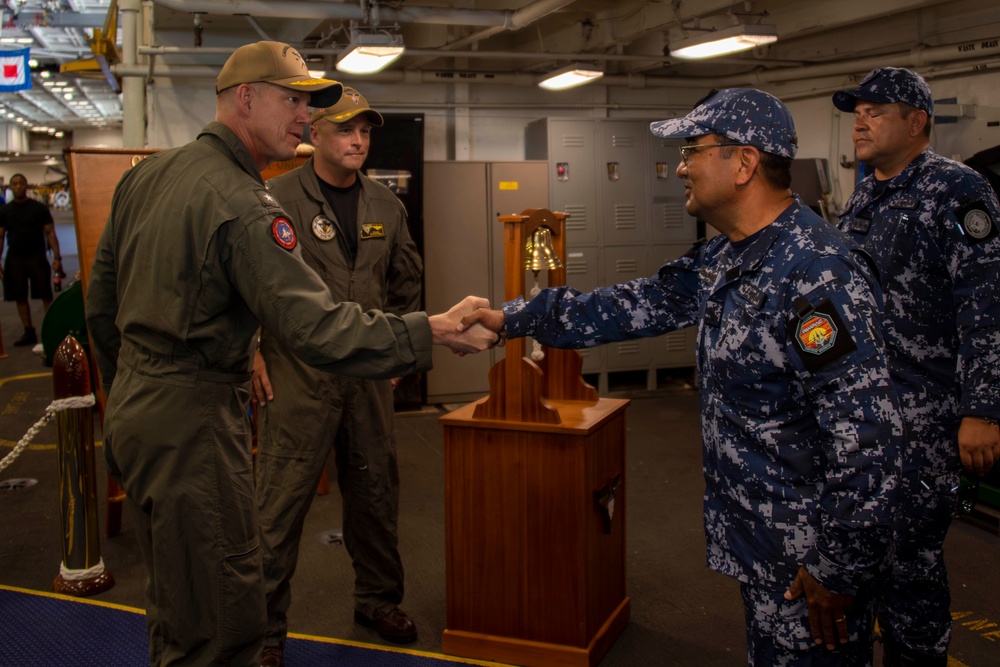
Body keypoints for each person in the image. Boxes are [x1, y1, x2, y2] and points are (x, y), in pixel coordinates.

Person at [85, 41, 496, 667]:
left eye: (310, 103)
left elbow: (100, 305)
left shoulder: (147, 175)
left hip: (138, 415)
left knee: (177, 601)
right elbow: (317, 328)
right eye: (294, 100)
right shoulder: (248, 204)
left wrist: (133, 392)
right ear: (245, 99)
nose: (305, 116)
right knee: (224, 616)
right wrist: (429, 331)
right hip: (196, 425)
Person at [460, 88, 904, 666]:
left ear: (744, 163)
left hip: (809, 559)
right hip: (765, 544)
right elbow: (633, 303)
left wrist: (838, 568)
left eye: (694, 150)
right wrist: (511, 318)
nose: (681, 166)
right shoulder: (730, 255)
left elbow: (867, 438)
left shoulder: (815, 274)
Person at [832, 67, 1000, 666]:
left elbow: (986, 306)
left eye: (877, 110)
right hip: (866, 414)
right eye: (858, 111)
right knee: (866, 557)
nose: (862, 120)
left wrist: (982, 410)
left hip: (924, 420)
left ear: (917, 122)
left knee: (911, 567)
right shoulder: (868, 189)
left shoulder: (957, 191)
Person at [251, 87, 421, 664]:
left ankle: (377, 600)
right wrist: (251, 351)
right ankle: (266, 632)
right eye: (346, 130)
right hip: (299, 376)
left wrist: (397, 354)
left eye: (366, 132)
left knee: (376, 495)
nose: (358, 141)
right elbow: (246, 284)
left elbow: (406, 285)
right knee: (278, 508)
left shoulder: (385, 206)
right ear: (314, 134)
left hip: (368, 374)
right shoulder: (275, 200)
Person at [0, 173, 61, 346]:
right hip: (15, 259)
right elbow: (0, 237)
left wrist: (57, 257)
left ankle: (51, 330)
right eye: (15, 184)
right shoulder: (4, 211)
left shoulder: (39, 208)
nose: (18, 186)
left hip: (37, 257)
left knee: (45, 294)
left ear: (26, 186)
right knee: (19, 296)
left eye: (21, 183)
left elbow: (50, 233)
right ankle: (28, 331)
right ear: (10, 187)